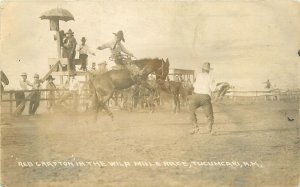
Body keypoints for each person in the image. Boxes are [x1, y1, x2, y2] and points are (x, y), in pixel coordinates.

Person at [189, 62, 216, 134]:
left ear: (202, 69)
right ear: (208, 70)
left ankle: (195, 127)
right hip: (205, 97)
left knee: (191, 111)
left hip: (196, 96)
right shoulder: (210, 76)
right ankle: (209, 129)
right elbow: (213, 88)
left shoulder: (198, 75)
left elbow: (194, 85)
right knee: (210, 115)